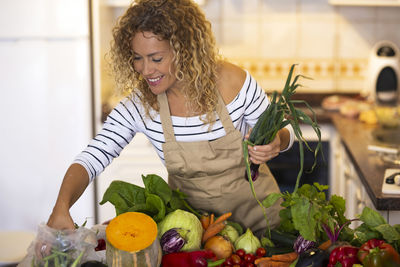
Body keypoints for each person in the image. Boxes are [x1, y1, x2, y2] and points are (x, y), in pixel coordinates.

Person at [47, 0, 294, 235]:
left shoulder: (232, 82)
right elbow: (94, 155)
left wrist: (276, 142)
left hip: (264, 228)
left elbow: (284, 132)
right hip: (195, 237)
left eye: (156, 59)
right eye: (137, 58)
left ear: (184, 51)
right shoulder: (142, 105)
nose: (145, 70)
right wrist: (61, 205)